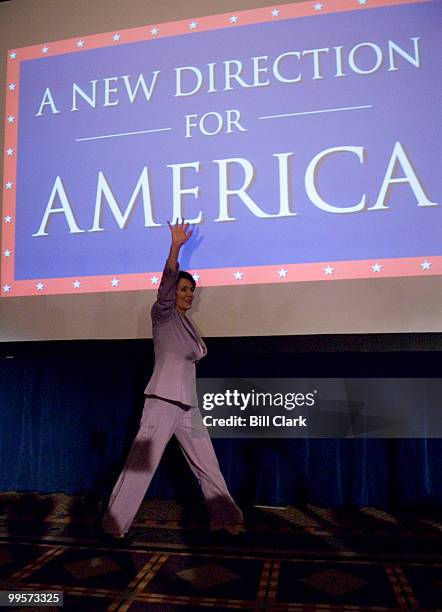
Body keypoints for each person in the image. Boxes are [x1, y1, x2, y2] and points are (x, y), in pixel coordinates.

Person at [101, 221, 243, 538]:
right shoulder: (163, 315)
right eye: (183, 289)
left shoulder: (187, 326)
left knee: (208, 464)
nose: (188, 294)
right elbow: (166, 283)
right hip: (162, 402)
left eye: (191, 290)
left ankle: (226, 516)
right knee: (141, 467)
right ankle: (113, 524)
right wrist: (176, 247)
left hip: (187, 407)